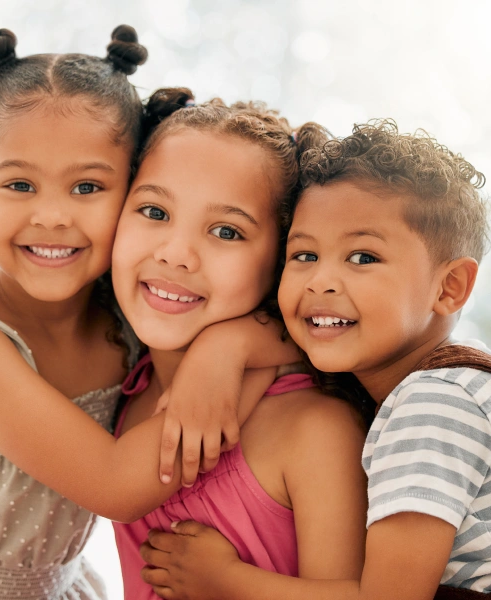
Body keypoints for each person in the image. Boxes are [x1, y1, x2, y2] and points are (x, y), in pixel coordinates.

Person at [0, 27, 298, 600]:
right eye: (20, 184)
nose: (51, 217)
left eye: (88, 187)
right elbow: (116, 486)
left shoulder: (127, 315)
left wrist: (230, 349)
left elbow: (312, 335)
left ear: (132, 189)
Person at [139, 119, 491, 600]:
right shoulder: (446, 388)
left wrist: (225, 581)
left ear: (449, 288)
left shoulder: (431, 405)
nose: (319, 282)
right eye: (303, 255)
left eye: (363, 258)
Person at [110, 89, 370, 600]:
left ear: (282, 257)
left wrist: (229, 586)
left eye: (226, 231)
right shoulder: (122, 382)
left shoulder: (314, 430)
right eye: (155, 212)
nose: (177, 254)